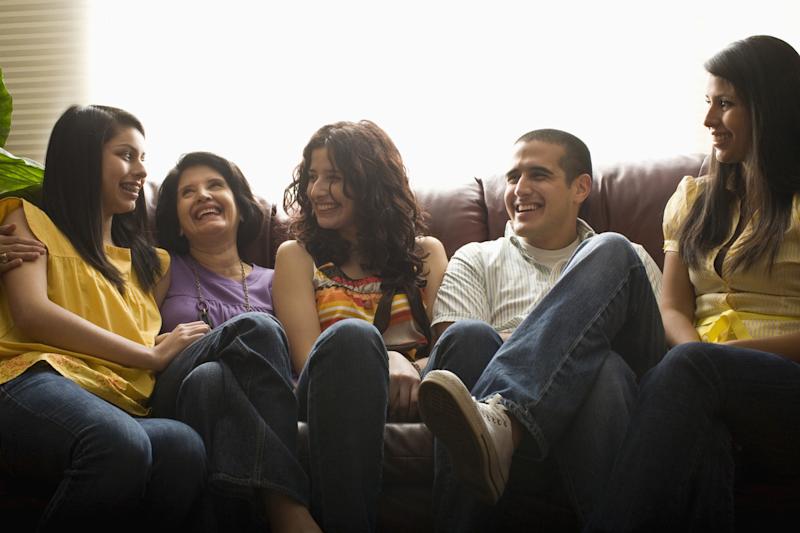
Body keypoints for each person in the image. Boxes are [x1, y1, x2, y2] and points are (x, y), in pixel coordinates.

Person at [586, 35, 800, 532]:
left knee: (694, 379)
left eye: (725, 105)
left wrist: (729, 358)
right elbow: (672, 307)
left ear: (771, 108)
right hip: (701, 371)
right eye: (709, 103)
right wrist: (697, 354)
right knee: (704, 437)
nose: (709, 122)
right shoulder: (693, 198)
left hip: (784, 383)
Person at [416, 128, 665, 531]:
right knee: (468, 337)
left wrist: (543, 344)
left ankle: (506, 423)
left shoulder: (626, 260)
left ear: (580, 187)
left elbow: (662, 352)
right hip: (516, 397)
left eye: (539, 175)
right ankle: (496, 431)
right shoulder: (476, 259)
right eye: (513, 178)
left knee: (607, 352)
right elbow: (450, 361)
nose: (520, 189)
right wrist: (575, 351)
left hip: (614, 396)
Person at [0, 105, 207, 531]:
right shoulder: (27, 219)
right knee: (118, 442)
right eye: (126, 155)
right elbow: (32, 313)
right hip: (34, 377)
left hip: (115, 399)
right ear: (81, 157)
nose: (141, 171)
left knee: (184, 446)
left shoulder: (153, 266)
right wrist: (149, 356)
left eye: (143, 159)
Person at [272, 120, 448, 532]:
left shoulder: (426, 253)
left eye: (334, 178)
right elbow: (308, 356)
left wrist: (414, 370)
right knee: (353, 337)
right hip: (332, 393)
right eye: (313, 177)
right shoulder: (296, 256)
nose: (317, 191)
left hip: (421, 391)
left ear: (371, 182)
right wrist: (386, 358)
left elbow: (449, 345)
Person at [152, 151, 320, 532]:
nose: (203, 196)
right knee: (257, 328)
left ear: (240, 209)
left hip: (211, 393)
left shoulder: (277, 279)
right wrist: (160, 341)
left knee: (212, 379)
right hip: (173, 387)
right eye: (187, 192)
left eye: (215, 186)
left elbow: (298, 363)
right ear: (177, 223)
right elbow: (131, 329)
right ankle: (285, 503)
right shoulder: (163, 266)